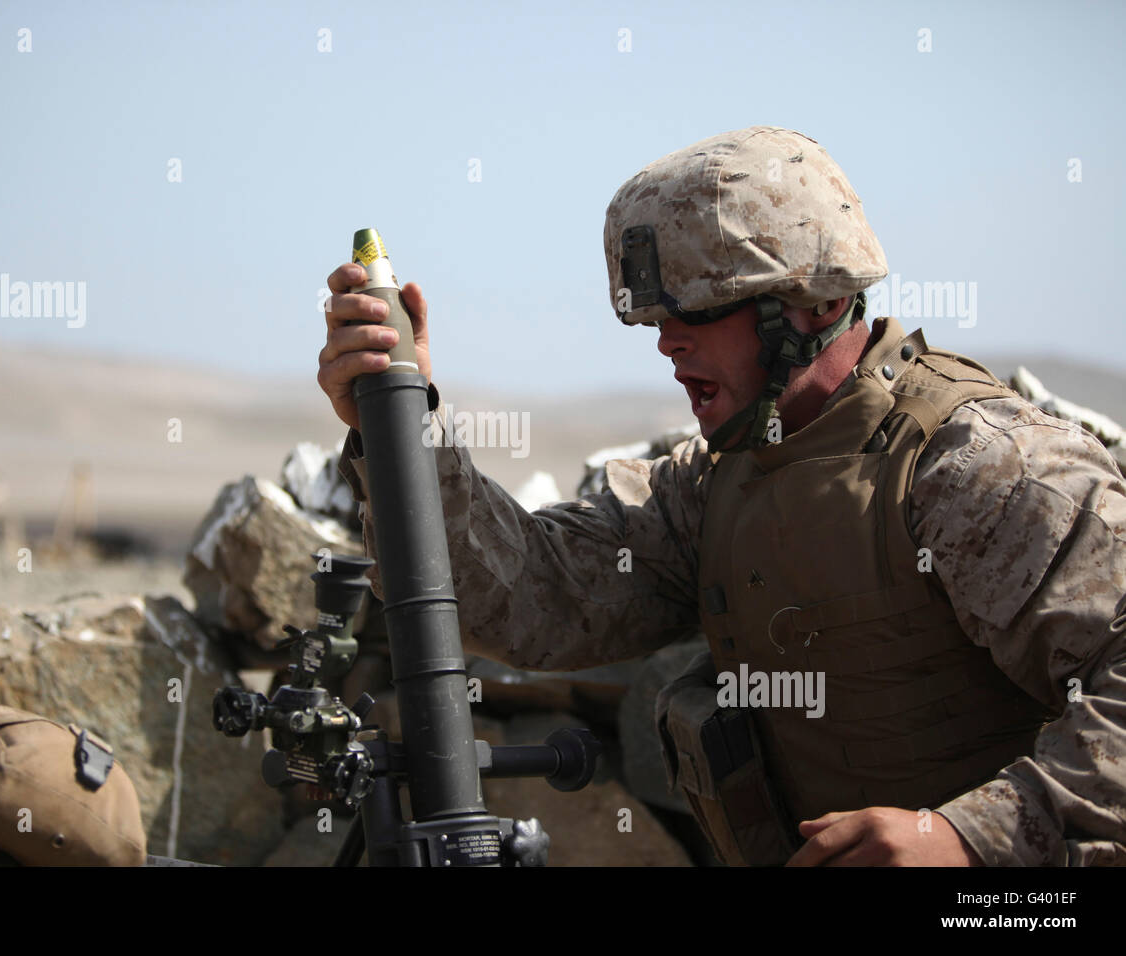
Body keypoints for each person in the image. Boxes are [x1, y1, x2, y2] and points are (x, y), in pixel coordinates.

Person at [317, 126, 1126, 866]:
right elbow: (532, 593)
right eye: (653, 319)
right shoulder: (711, 486)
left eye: (697, 310)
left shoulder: (978, 469)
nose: (668, 342)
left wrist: (967, 837)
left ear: (814, 303)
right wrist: (398, 428)